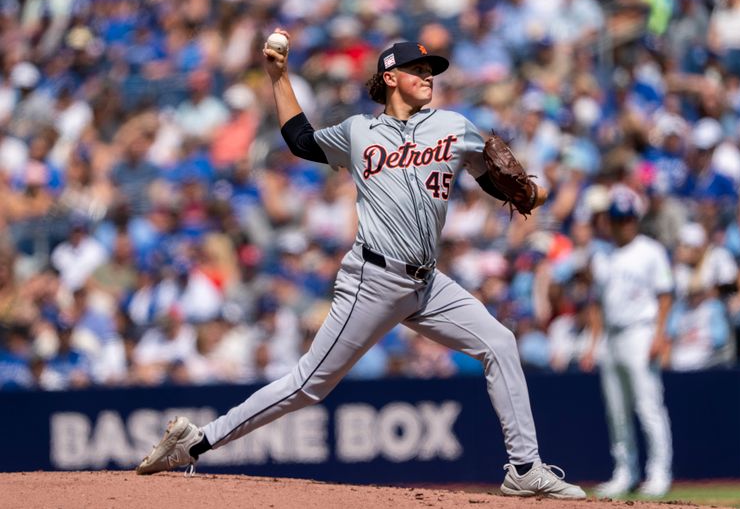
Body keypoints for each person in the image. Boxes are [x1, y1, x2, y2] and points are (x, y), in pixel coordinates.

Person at [135, 30, 586, 499]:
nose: (428, 76)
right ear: (391, 77)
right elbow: (301, 141)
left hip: (427, 283)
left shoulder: (454, 127)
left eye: (431, 71)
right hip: (373, 278)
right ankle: (198, 440)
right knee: (308, 385)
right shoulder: (358, 132)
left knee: (499, 342)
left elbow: (493, 180)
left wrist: (526, 194)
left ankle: (524, 467)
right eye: (418, 70)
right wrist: (279, 77)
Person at [580, 184, 673, 498]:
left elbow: (664, 297)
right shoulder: (602, 255)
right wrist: (592, 345)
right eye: (618, 219)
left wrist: (660, 335)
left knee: (649, 406)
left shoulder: (650, 251)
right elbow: (595, 305)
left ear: (636, 218)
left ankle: (659, 473)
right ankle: (625, 471)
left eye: (628, 218)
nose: (624, 224)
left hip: (641, 331)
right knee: (616, 410)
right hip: (612, 336)